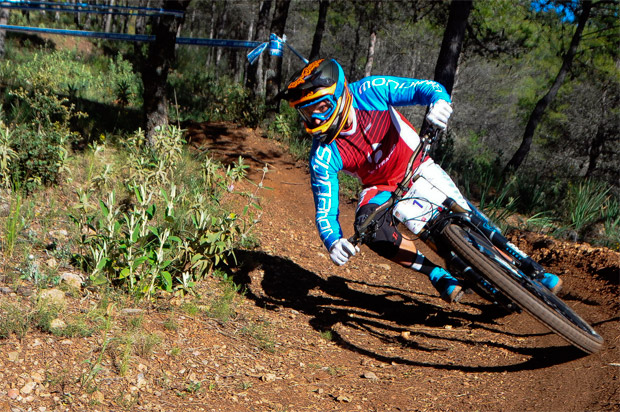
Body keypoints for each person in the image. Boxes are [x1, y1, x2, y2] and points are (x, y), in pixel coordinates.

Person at [281, 58, 562, 303]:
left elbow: (424, 88)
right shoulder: (323, 154)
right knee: (369, 228)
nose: (314, 118)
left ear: (339, 95)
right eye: (307, 112)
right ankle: (435, 272)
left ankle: (526, 263)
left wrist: (438, 101)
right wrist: (333, 241)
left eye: (320, 107)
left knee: (465, 211)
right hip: (381, 187)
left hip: (416, 162)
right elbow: (325, 211)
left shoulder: (369, 92)